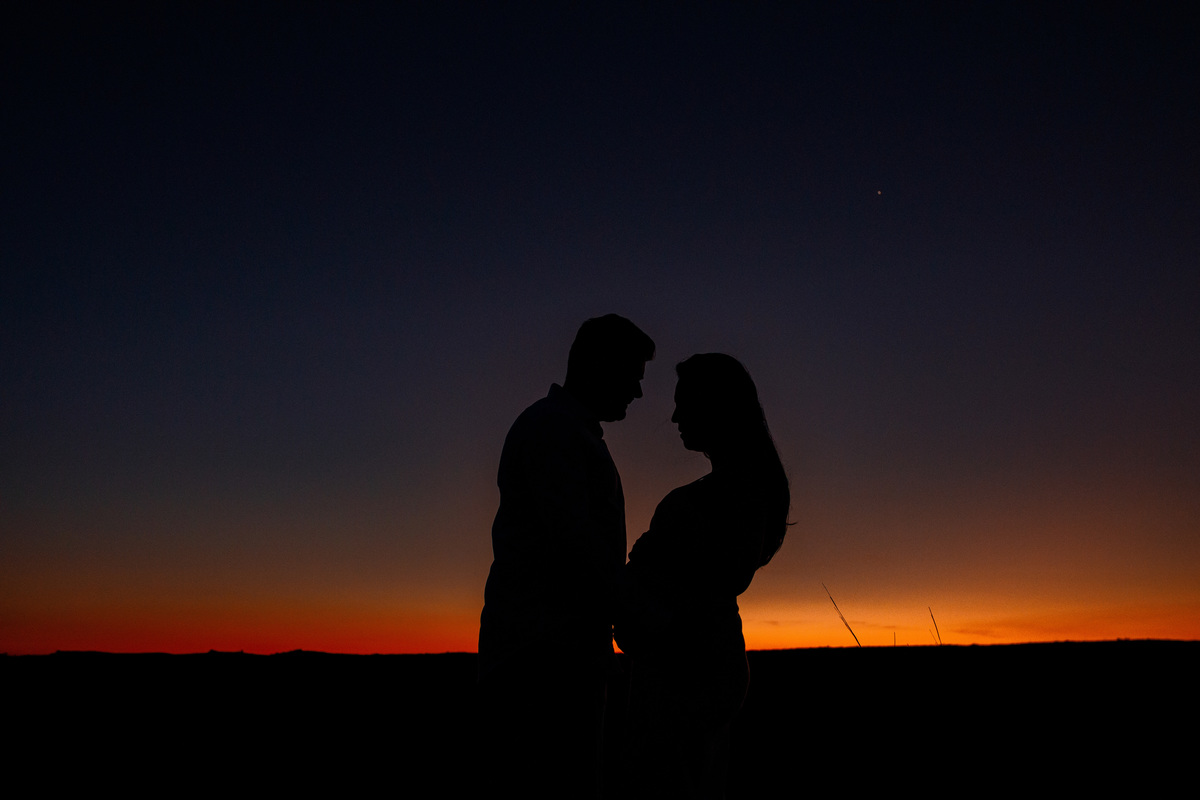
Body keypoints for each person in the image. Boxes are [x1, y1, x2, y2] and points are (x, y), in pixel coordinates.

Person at [478, 314, 655, 799]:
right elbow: (577, 549)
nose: (638, 393)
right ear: (599, 365)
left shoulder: (566, 431)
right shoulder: (553, 432)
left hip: (557, 656)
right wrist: (637, 612)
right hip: (542, 663)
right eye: (633, 376)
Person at [615, 353, 790, 799]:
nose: (673, 416)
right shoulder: (725, 494)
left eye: (683, 403)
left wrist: (646, 583)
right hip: (685, 671)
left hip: (689, 677)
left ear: (715, 406)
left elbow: (712, 581)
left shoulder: (733, 496)